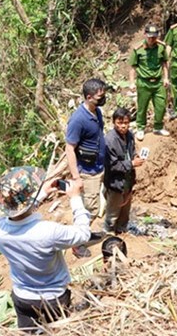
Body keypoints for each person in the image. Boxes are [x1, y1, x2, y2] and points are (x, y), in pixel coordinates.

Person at [0, 166, 91, 332]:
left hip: (22, 297)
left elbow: (18, 215)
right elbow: (83, 234)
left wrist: (41, 194)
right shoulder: (48, 232)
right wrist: (75, 198)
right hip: (53, 299)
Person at [65, 78, 107, 258]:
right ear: (88, 97)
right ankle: (77, 243)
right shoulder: (78, 119)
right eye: (99, 97)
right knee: (90, 209)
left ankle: (86, 234)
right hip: (87, 171)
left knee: (91, 206)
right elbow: (69, 148)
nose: (102, 99)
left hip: (98, 168)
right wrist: (76, 177)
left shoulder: (96, 112)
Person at [103, 107, 144, 233]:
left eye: (126, 123)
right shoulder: (109, 140)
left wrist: (135, 157)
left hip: (127, 179)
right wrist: (131, 163)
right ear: (114, 123)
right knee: (113, 211)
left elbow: (131, 152)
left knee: (125, 208)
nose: (123, 126)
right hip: (115, 182)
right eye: (120, 123)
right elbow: (112, 165)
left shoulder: (130, 136)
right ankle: (109, 233)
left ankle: (122, 229)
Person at [129, 24, 170, 141]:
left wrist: (166, 78)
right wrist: (131, 83)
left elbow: (164, 63)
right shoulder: (138, 49)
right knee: (142, 106)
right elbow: (133, 67)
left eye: (154, 37)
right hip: (144, 82)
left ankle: (158, 127)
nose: (152, 39)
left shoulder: (161, 48)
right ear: (145, 35)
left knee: (161, 106)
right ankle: (141, 128)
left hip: (158, 83)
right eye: (149, 37)